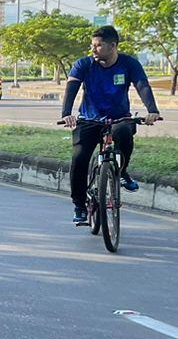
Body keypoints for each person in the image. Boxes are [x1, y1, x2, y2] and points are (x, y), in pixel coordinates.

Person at [60, 25, 162, 225]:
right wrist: (66, 114)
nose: (93, 50)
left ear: (112, 45)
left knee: (124, 133)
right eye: (92, 45)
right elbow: (71, 88)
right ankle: (80, 205)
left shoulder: (129, 64)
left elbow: (142, 86)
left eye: (98, 46)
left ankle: (121, 171)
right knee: (79, 159)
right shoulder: (84, 64)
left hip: (119, 118)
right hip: (89, 119)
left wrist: (152, 110)